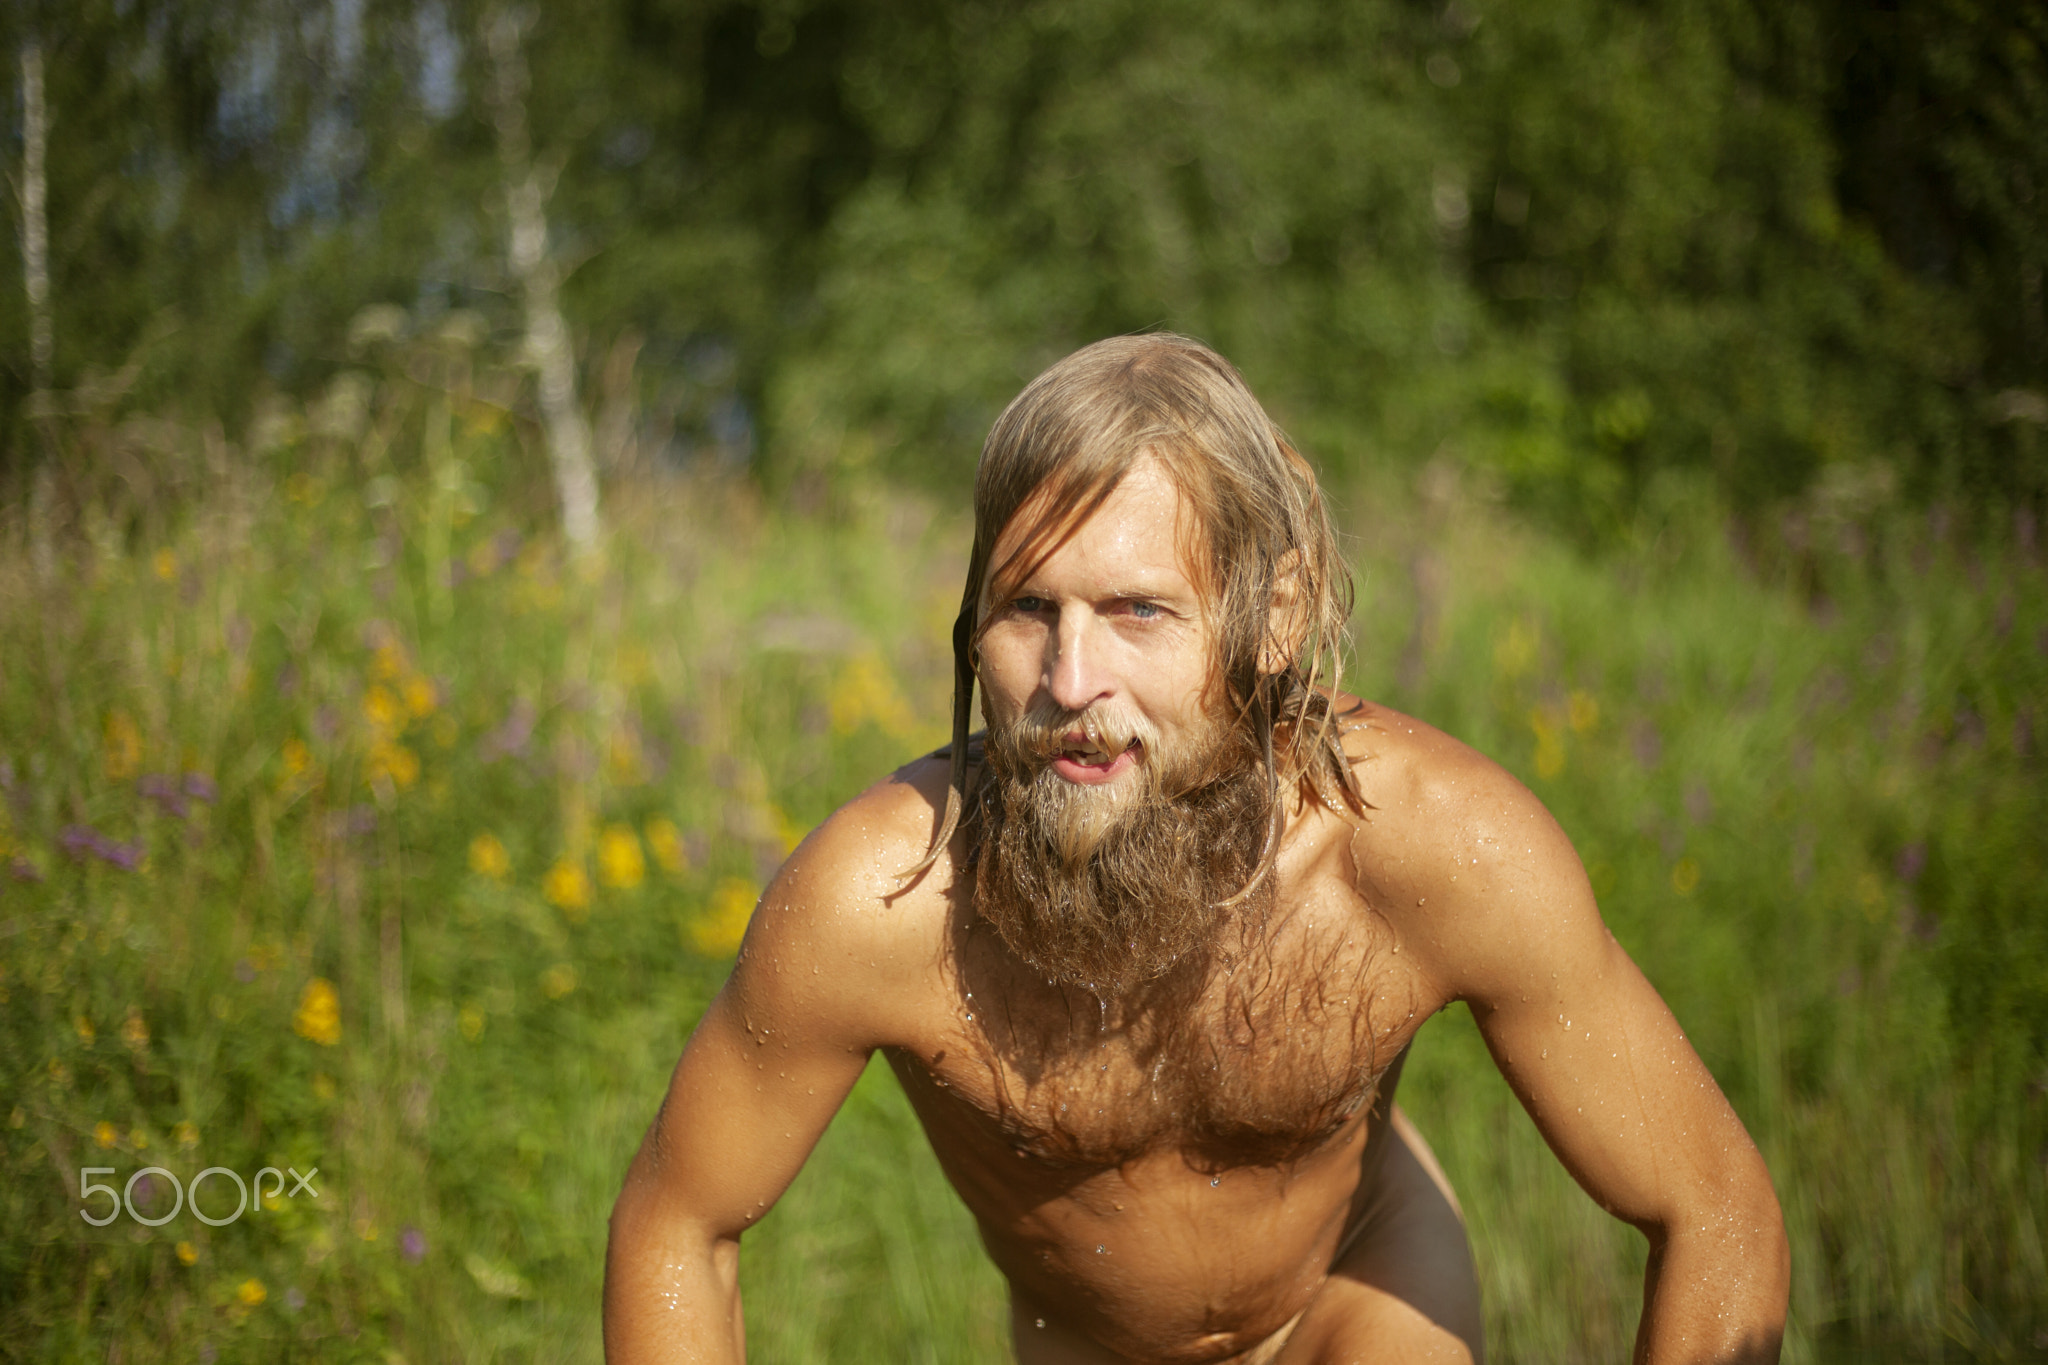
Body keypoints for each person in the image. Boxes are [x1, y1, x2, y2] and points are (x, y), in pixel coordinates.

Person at [603, 334, 1789, 1363]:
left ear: (1270, 617)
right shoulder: (885, 903)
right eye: (1027, 609)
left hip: (1357, 1299)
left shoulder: (1434, 854)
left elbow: (1712, 1206)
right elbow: (678, 1225)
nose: (1072, 682)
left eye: (1137, 612)